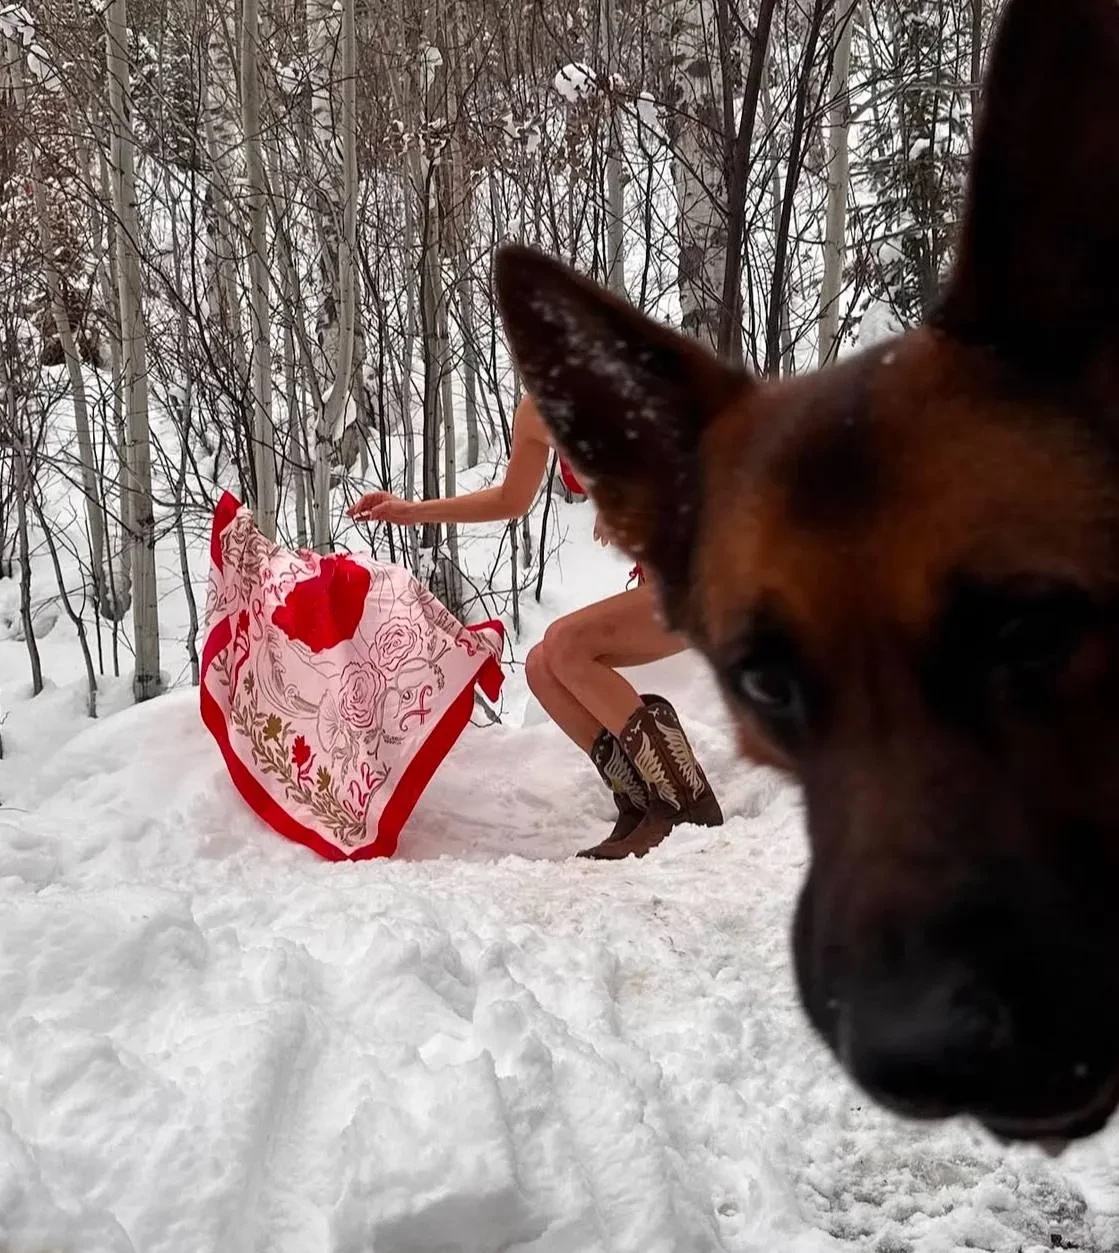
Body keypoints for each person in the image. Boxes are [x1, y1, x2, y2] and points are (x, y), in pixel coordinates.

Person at [347, 393, 724, 860]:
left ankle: (685, 801)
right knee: (542, 666)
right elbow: (511, 499)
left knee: (566, 643)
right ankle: (644, 800)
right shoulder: (535, 413)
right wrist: (411, 511)